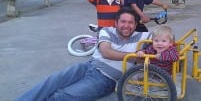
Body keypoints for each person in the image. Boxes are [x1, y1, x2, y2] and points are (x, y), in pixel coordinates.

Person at [15, 7, 151, 101]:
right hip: (86, 67)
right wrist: (134, 55)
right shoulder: (107, 31)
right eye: (123, 21)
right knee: (49, 83)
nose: (126, 25)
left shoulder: (143, 37)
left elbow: (166, 38)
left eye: (130, 22)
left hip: (106, 79)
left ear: (135, 24)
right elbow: (106, 52)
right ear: (116, 23)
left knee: (62, 97)